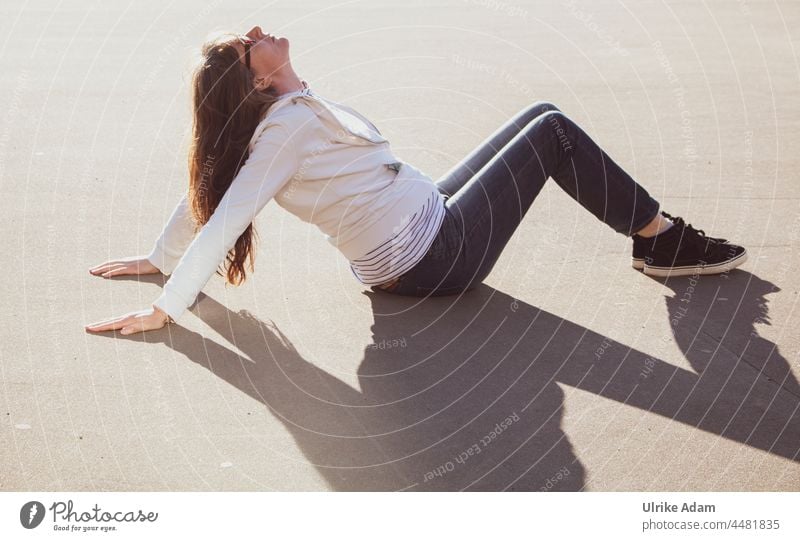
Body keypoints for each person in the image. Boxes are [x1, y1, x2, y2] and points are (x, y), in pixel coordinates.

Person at [85, 26, 746, 336]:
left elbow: (211, 184)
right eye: (243, 44)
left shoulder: (282, 119)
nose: (255, 30)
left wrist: (160, 257)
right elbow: (225, 210)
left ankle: (652, 236)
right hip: (437, 255)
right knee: (556, 134)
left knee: (543, 116)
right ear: (257, 79)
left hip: (427, 224)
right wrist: (167, 304)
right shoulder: (283, 132)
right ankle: (658, 239)